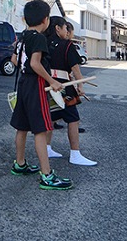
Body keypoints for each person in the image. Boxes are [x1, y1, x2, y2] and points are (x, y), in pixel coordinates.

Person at [9, 0, 72, 190]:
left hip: (23, 84)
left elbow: (14, 60)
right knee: (40, 129)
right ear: (46, 20)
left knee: (21, 126)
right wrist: (52, 81)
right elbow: (35, 64)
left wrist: (28, 70)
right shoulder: (38, 38)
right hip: (36, 85)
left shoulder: (22, 37)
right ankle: (47, 175)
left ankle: (19, 164)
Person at [44, 17, 96, 166]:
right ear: (57, 29)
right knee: (73, 119)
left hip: (47, 84)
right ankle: (75, 154)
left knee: (52, 116)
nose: (67, 32)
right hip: (63, 86)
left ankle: (47, 148)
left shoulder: (44, 43)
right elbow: (75, 67)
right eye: (65, 28)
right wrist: (80, 86)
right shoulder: (66, 45)